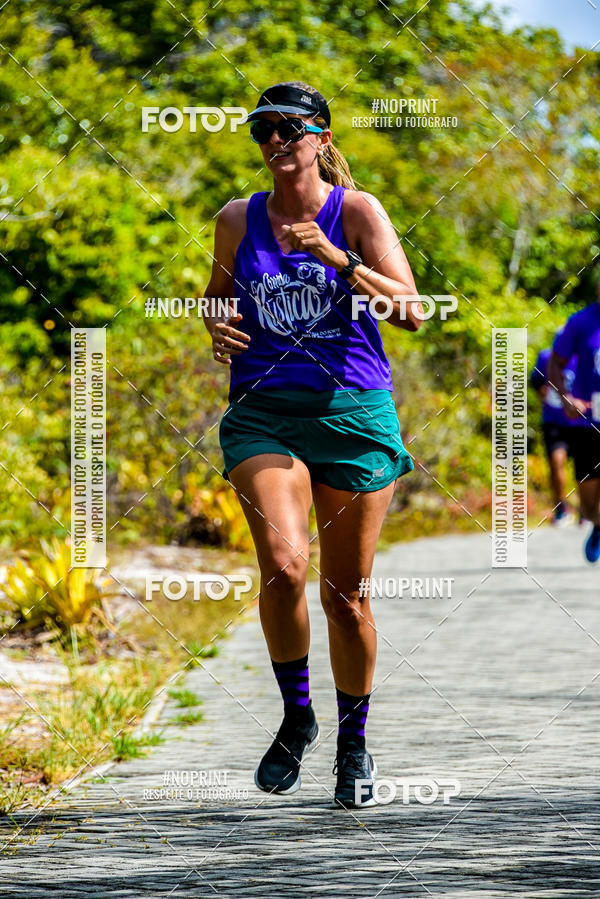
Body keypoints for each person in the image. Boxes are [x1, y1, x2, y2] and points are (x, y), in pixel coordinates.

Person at [202, 81, 422, 808]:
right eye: (261, 129)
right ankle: (298, 716)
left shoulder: (355, 211)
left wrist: (335, 255)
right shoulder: (237, 219)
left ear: (321, 137)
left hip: (353, 414)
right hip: (264, 410)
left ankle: (354, 743)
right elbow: (217, 293)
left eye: (287, 129)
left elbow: (411, 310)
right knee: (285, 564)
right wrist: (217, 323)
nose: (273, 141)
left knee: (346, 597)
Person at [550, 272, 600, 561]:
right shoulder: (580, 322)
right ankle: (596, 523)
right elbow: (556, 364)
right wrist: (566, 397)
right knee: (589, 502)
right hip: (587, 420)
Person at [530, 342, 576, 526]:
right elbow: (535, 381)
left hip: (581, 422)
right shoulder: (545, 356)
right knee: (556, 461)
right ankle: (561, 507)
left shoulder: (584, 354)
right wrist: (547, 402)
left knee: (585, 469)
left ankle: (587, 511)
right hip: (554, 421)